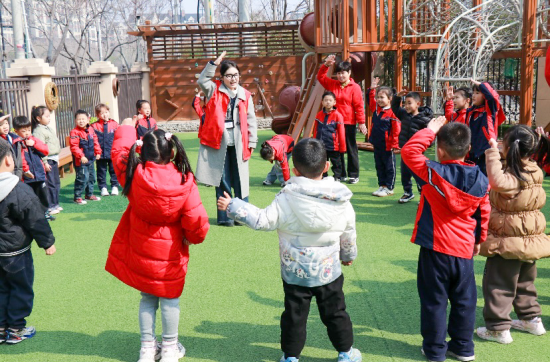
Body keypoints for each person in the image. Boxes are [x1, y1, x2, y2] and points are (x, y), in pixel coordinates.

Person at [217, 138, 361, 362]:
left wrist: (234, 206)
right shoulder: (342, 200)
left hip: (295, 271)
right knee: (335, 313)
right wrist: (348, 255)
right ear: (327, 166)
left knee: (295, 316)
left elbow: (263, 220)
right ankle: (346, 353)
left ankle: (291, 357)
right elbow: (349, 232)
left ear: (294, 169)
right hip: (328, 271)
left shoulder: (286, 198)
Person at [105, 117, 209, 362]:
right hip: (171, 250)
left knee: (147, 298)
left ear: (143, 151)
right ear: (172, 151)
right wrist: (192, 238)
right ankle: (170, 348)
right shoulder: (185, 180)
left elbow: (119, 151)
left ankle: (147, 348)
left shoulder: (133, 173)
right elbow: (197, 222)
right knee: (170, 299)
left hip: (142, 246)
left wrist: (129, 126)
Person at [401, 116, 491, 362]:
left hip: (436, 248)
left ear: (439, 150)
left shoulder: (431, 171)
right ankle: (463, 348)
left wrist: (429, 130)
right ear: (469, 149)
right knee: (464, 301)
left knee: (434, 301)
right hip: (463, 250)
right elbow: (484, 212)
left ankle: (434, 350)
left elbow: (409, 150)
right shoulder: (481, 179)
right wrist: (479, 240)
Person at [476, 126, 550, 344]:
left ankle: (498, 328)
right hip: (529, 240)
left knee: (498, 284)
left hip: (508, 242)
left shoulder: (513, 176)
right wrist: (503, 153)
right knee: (525, 283)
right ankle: (531, 319)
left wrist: (491, 152)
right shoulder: (535, 169)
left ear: (510, 148)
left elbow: (498, 182)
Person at [0, 138, 56, 345]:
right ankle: (15, 329)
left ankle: (1, 327)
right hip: (16, 253)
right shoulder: (19, 189)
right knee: (20, 288)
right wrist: (47, 242)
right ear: (8, 160)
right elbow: (35, 219)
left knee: (1, 288)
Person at [196, 51, 258, 226]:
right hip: (219, 141)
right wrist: (213, 63)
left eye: (236, 75)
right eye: (229, 75)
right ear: (222, 77)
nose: (233, 79)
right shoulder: (214, 90)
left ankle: (242, 217)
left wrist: (252, 141)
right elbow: (202, 80)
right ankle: (224, 218)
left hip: (240, 141)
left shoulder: (245, 94)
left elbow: (252, 119)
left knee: (240, 180)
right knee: (222, 179)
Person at [317, 54, 367, 184]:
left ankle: (353, 174)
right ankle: (341, 174)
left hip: (348, 122)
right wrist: (326, 65)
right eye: (338, 73)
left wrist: (361, 122)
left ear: (349, 73)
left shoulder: (355, 87)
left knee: (351, 148)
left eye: (343, 73)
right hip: (333, 123)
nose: (340, 76)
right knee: (336, 149)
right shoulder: (333, 84)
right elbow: (320, 77)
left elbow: (359, 106)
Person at [391, 90, 433, 203]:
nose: (406, 106)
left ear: (418, 104)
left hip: (417, 153)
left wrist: (424, 145)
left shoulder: (425, 119)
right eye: (405, 103)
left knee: (419, 174)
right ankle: (407, 192)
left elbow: (430, 135)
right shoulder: (404, 115)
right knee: (405, 173)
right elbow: (395, 108)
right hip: (405, 151)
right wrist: (397, 97)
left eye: (409, 103)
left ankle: (423, 194)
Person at [12, 116, 53, 221]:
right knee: (30, 196)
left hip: (39, 174)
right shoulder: (18, 143)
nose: (27, 133)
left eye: (29, 130)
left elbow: (45, 150)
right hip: (28, 176)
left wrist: (34, 144)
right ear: (16, 131)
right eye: (23, 131)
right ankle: (33, 215)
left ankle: (45, 212)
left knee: (42, 194)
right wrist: (26, 170)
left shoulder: (34, 140)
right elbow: (21, 159)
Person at [367, 77, 400, 197]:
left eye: (382, 97)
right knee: (379, 166)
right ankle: (382, 186)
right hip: (377, 144)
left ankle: (389, 188)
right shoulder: (376, 110)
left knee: (389, 167)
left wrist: (394, 145)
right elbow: (371, 101)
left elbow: (396, 130)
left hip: (388, 146)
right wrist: (372, 89)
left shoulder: (393, 113)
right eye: (378, 97)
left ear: (390, 99)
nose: (379, 100)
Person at [465, 79, 505, 175]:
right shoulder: (470, 111)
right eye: (473, 92)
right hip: (472, 150)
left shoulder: (490, 110)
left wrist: (482, 85)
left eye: (477, 93)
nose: (473, 95)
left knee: (485, 176)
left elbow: (492, 97)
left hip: (486, 150)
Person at [31, 105, 62, 216]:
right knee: (50, 184)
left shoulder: (48, 128)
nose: (49, 118)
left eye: (49, 116)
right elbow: (40, 148)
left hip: (53, 158)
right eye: (47, 116)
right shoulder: (38, 131)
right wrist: (44, 162)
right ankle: (50, 205)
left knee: (56, 183)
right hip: (47, 160)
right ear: (39, 118)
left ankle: (55, 203)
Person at [69, 110, 102, 205]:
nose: (81, 121)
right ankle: (78, 196)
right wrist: (81, 156)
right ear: (75, 121)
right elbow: (74, 147)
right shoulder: (74, 132)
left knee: (91, 177)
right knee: (82, 177)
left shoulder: (91, 130)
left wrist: (98, 152)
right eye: (79, 119)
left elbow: (95, 142)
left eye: (83, 119)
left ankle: (89, 194)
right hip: (80, 161)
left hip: (91, 159)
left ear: (88, 120)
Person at [313, 91, 347, 180]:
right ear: (322, 102)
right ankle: (323, 176)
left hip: (333, 145)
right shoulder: (319, 115)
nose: (328, 102)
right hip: (321, 145)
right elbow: (315, 130)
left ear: (334, 102)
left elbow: (341, 132)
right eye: (326, 100)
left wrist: (342, 147)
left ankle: (337, 177)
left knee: (336, 162)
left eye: (330, 100)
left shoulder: (338, 116)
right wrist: (315, 143)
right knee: (322, 162)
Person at [91, 103, 120, 197]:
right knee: (101, 171)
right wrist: (96, 152)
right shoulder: (94, 126)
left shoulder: (115, 124)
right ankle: (103, 187)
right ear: (97, 115)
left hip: (112, 152)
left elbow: (119, 137)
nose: (105, 114)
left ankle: (114, 186)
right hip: (100, 154)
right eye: (102, 113)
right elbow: (93, 140)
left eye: (106, 112)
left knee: (114, 170)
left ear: (109, 112)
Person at [0, 113, 23, 178]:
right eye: (1, 125)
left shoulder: (15, 139)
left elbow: (20, 158)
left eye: (6, 123)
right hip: (5, 176)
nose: (5, 127)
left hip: (18, 176)